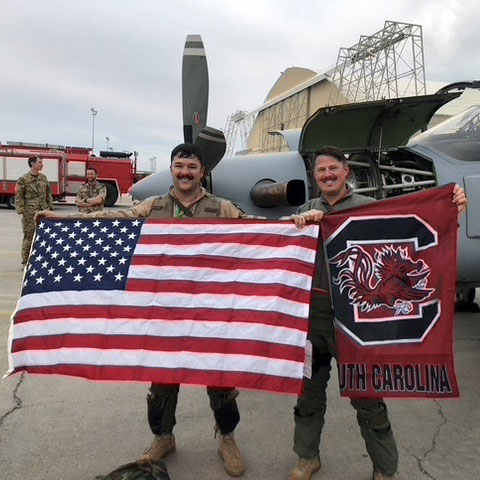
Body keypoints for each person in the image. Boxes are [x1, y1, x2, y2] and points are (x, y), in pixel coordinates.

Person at [39, 143, 246, 477]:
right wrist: (64, 220)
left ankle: (227, 438)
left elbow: (258, 231)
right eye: (179, 166)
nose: (185, 173)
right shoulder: (154, 206)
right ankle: (163, 437)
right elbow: (112, 220)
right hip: (165, 310)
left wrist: (297, 222)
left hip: (208, 311)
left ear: (202, 173)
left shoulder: (221, 208)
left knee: (220, 377)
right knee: (162, 378)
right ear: (171, 169)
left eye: (192, 167)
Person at [286, 147, 467, 480]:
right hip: (313, 322)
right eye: (320, 170)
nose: (327, 174)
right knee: (308, 395)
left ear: (346, 172)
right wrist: (299, 223)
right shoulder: (307, 210)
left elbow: (416, 225)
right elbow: (283, 242)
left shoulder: (370, 208)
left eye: (333, 168)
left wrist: (451, 203)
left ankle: (385, 468)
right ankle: (307, 457)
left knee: (368, 398)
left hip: (357, 325)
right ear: (315, 177)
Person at [15, 156, 53, 266]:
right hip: (30, 213)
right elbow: (19, 196)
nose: (42, 164)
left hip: (44, 212)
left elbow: (48, 193)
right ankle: (26, 261)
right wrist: (22, 211)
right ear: (32, 164)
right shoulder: (23, 179)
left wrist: (50, 207)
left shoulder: (43, 178)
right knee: (29, 236)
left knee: (44, 236)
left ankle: (42, 260)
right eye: (40, 162)